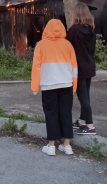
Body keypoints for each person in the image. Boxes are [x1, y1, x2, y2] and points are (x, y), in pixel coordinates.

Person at [31, 18, 78, 156]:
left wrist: (35, 87)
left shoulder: (41, 45)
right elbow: (74, 67)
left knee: (51, 113)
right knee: (66, 113)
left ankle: (51, 146)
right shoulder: (68, 45)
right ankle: (67, 145)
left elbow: (36, 67)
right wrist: (74, 87)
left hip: (48, 85)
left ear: (46, 29)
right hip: (66, 84)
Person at [66, 3, 97, 135]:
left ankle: (90, 126)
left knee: (82, 97)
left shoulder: (73, 30)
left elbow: (67, 47)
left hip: (78, 67)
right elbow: (93, 49)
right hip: (89, 65)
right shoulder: (91, 29)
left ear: (76, 14)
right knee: (86, 95)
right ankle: (82, 121)